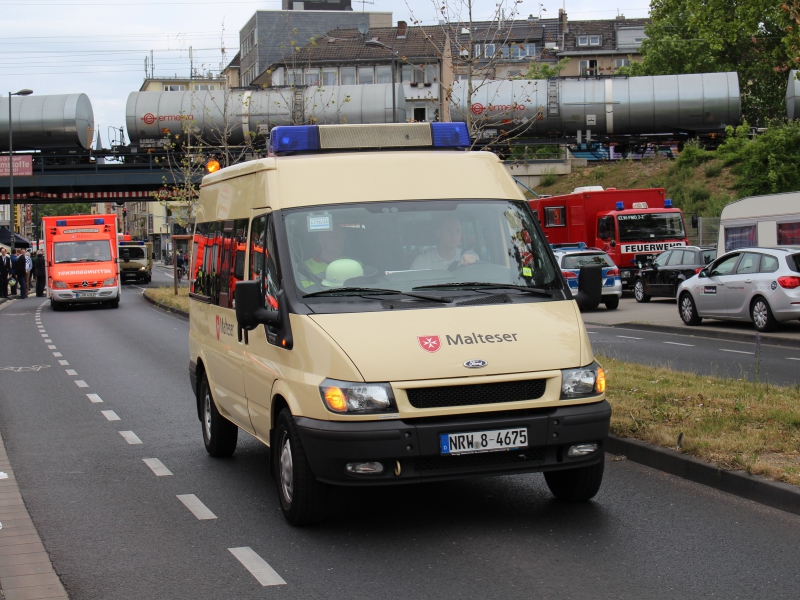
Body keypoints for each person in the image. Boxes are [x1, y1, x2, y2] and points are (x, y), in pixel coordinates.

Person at [411, 215, 479, 270]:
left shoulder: (469, 256)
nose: (454, 235)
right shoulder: (421, 262)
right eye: (448, 231)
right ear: (439, 234)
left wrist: (471, 261)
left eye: (457, 231)